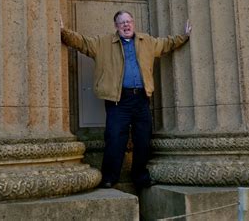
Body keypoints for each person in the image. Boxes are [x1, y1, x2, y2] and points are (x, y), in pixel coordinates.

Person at [61, 10, 191, 190]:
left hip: (141, 99)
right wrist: (63, 32)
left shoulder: (147, 41)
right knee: (115, 139)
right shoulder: (103, 43)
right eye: (122, 22)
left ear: (133, 23)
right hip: (118, 100)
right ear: (116, 26)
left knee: (143, 140)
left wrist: (185, 36)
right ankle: (109, 177)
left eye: (129, 21)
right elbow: (82, 43)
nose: (126, 25)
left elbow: (167, 44)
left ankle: (140, 177)